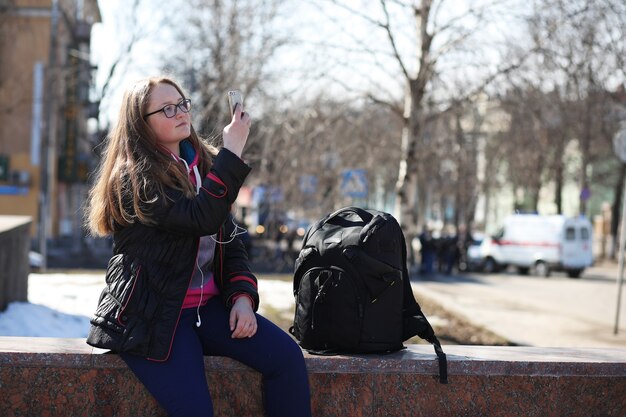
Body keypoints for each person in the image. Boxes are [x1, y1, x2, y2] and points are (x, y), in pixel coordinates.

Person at [84, 76, 311, 417]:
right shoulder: (133, 177)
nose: (180, 113)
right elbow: (198, 218)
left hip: (210, 311)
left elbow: (230, 243)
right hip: (155, 317)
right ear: (140, 124)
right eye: (167, 108)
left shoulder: (205, 166)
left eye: (182, 104)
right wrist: (232, 152)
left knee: (287, 359)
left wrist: (242, 298)